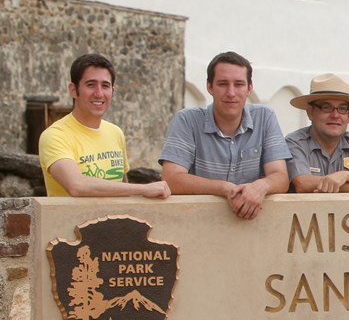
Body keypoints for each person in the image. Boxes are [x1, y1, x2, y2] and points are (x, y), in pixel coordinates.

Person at [159, 51, 290, 220]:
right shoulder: (187, 120)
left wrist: (261, 186)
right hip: (197, 224)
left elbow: (281, 177)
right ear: (209, 87)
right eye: (222, 84)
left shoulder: (265, 118)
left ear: (249, 88)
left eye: (239, 84)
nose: (231, 92)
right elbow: (171, 179)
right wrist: (224, 188)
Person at [38, 53, 170, 199]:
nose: (99, 93)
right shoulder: (55, 135)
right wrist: (143, 189)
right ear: (73, 90)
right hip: (72, 222)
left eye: (105, 86)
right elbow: (77, 186)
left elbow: (122, 187)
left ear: (113, 91)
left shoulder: (115, 133)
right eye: (91, 85)